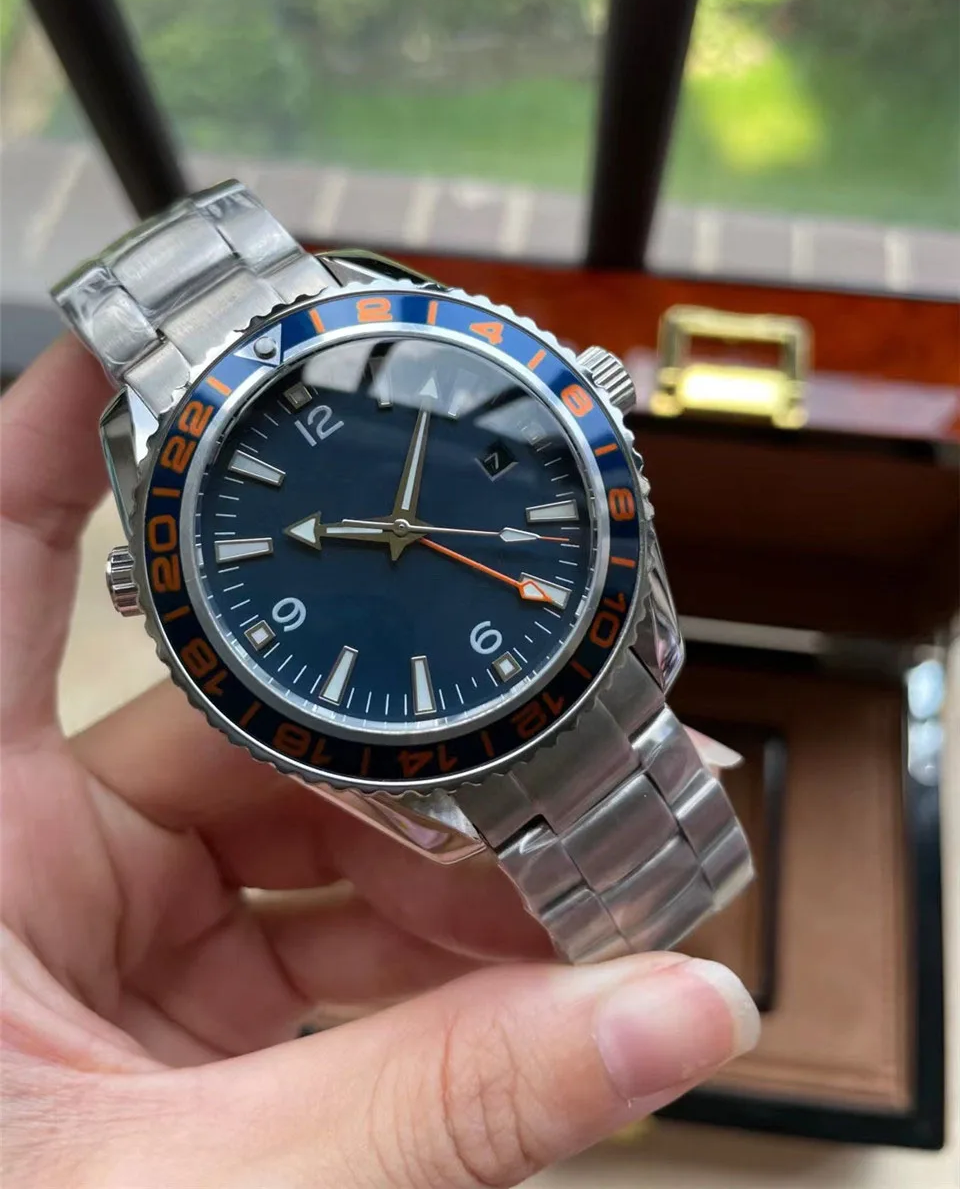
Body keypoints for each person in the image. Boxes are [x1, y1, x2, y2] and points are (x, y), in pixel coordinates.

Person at [0, 336, 759, 1187]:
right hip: (444, 707)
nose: (401, 533)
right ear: (142, 584)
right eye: (396, 532)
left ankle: (665, 905)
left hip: (529, 644)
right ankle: (658, 913)